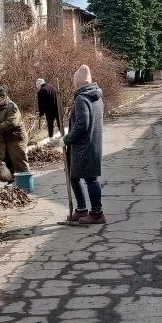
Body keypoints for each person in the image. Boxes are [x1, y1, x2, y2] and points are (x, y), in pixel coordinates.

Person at [63, 64, 105, 225]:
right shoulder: (96, 96)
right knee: (74, 176)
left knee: (90, 179)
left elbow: (82, 124)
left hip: (83, 147)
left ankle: (97, 213)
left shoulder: (82, 98)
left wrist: (66, 139)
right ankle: (81, 209)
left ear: (78, 83)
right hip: (92, 144)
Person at [0, 86, 29, 177]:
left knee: (18, 159)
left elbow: (11, 122)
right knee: (7, 159)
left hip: (16, 137)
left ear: (4, 97)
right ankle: (11, 180)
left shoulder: (12, 107)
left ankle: (25, 180)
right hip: (3, 139)